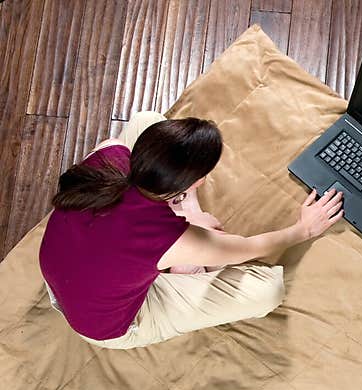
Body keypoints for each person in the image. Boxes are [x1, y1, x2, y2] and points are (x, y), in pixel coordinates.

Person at [39, 111, 344, 349]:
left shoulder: (110, 153)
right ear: (195, 183)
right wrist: (303, 229)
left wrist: (191, 218)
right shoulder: (166, 237)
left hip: (65, 272)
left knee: (147, 119)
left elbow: (122, 224)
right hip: (101, 322)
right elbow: (248, 247)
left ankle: (182, 241)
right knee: (268, 290)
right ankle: (181, 264)